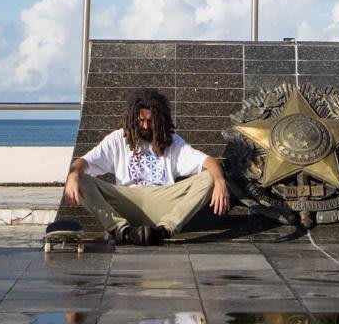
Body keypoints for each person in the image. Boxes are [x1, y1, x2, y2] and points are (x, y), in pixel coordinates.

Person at [63, 87, 230, 245]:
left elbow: (208, 161)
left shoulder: (171, 141)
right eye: (141, 120)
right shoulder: (117, 139)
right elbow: (83, 161)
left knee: (210, 177)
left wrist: (220, 182)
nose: (145, 126)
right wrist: (73, 174)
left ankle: (165, 231)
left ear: (159, 120)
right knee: (79, 177)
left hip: (163, 201)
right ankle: (122, 231)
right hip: (125, 201)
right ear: (133, 118)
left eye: (150, 121)